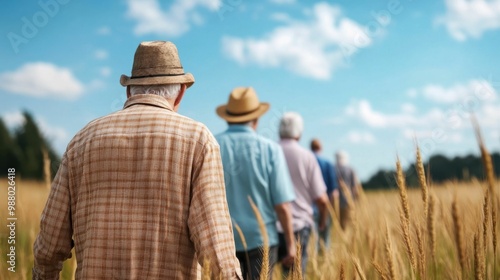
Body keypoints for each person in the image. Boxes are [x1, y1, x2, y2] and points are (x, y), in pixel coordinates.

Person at [33, 41, 242, 279]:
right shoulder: (198, 141)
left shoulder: (82, 140)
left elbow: (49, 247)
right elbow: (218, 255)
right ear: (181, 92)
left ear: (129, 91)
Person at [215, 87, 296, 280]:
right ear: (256, 119)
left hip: (222, 242)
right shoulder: (270, 150)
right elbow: (282, 205)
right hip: (262, 241)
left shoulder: (212, 145)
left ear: (228, 117)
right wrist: (291, 245)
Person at [278, 112, 329, 276]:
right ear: (299, 132)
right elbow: (322, 199)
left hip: (271, 228)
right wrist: (322, 221)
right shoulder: (307, 157)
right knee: (296, 275)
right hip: (300, 226)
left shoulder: (269, 151)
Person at [310, 139, 337, 251]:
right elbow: (334, 192)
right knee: (326, 237)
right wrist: (332, 209)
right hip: (325, 205)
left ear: (311, 148)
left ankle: (315, 261)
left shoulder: (308, 161)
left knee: (313, 239)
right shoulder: (328, 164)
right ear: (321, 148)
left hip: (310, 207)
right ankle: (325, 261)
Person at [335, 150, 360, 230]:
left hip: (336, 201)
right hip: (348, 200)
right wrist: (356, 200)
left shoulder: (334, 169)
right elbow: (355, 186)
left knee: (340, 223)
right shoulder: (351, 169)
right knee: (349, 222)